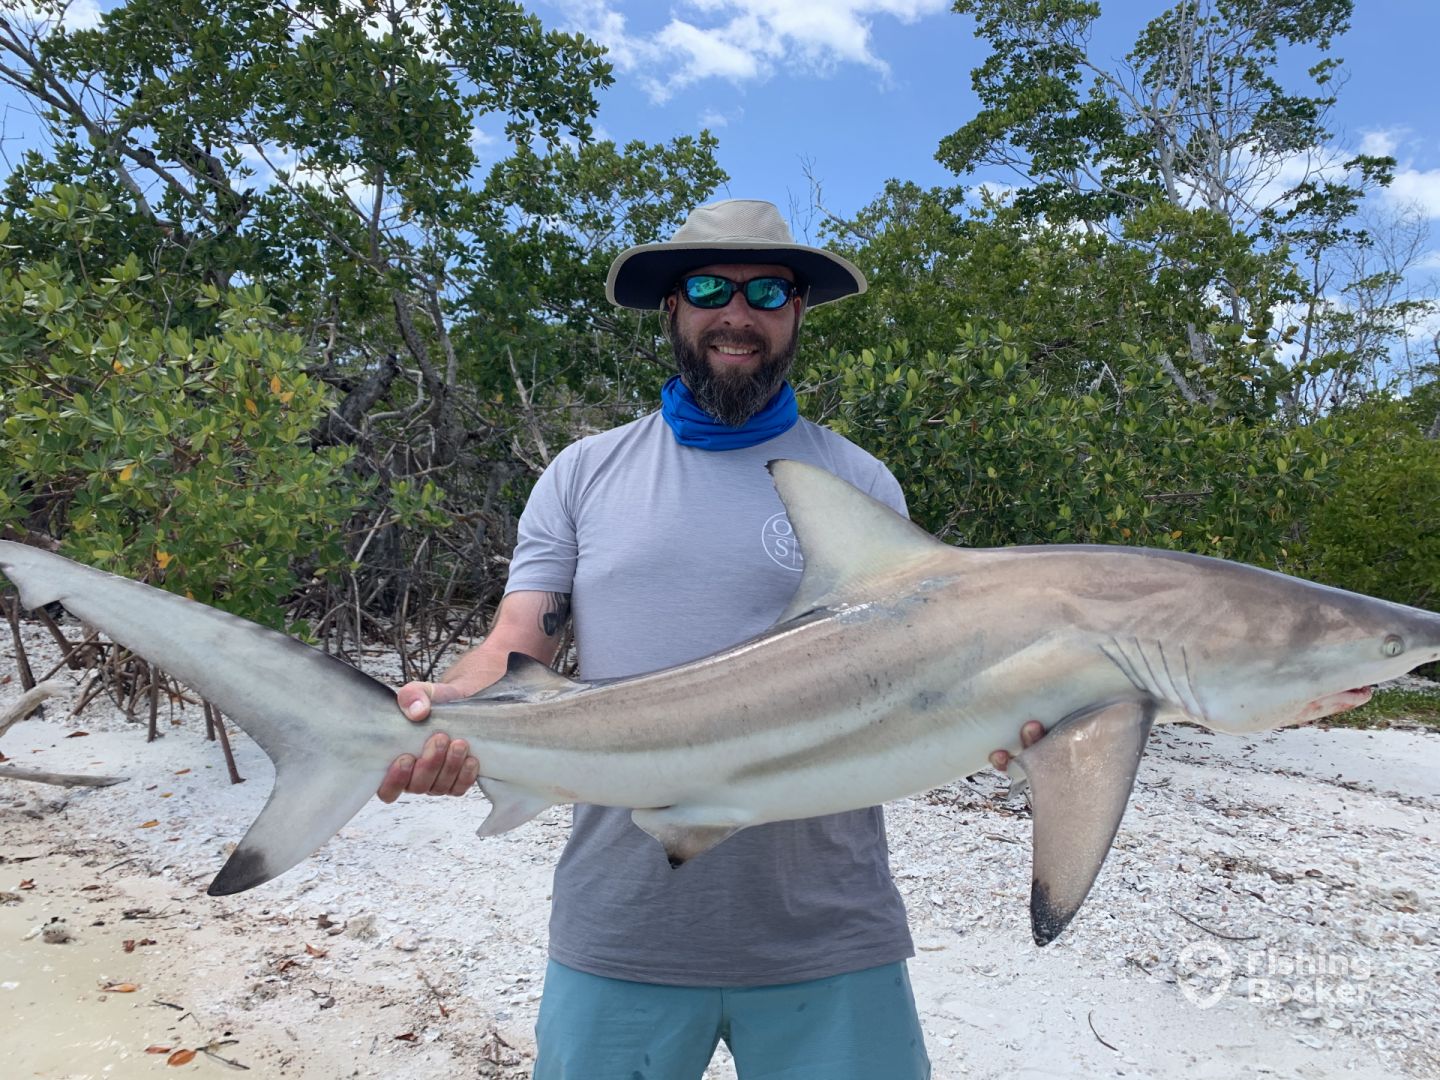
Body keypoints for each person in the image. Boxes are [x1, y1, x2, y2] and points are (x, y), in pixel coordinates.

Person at [376, 199, 1045, 1079]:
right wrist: (454, 708)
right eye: (708, 290)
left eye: (766, 291)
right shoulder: (584, 473)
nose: (737, 314)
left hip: (829, 931)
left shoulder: (860, 484)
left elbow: (927, 676)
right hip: (623, 924)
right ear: (672, 308)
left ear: (798, 311)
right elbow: (517, 640)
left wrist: (1027, 715)